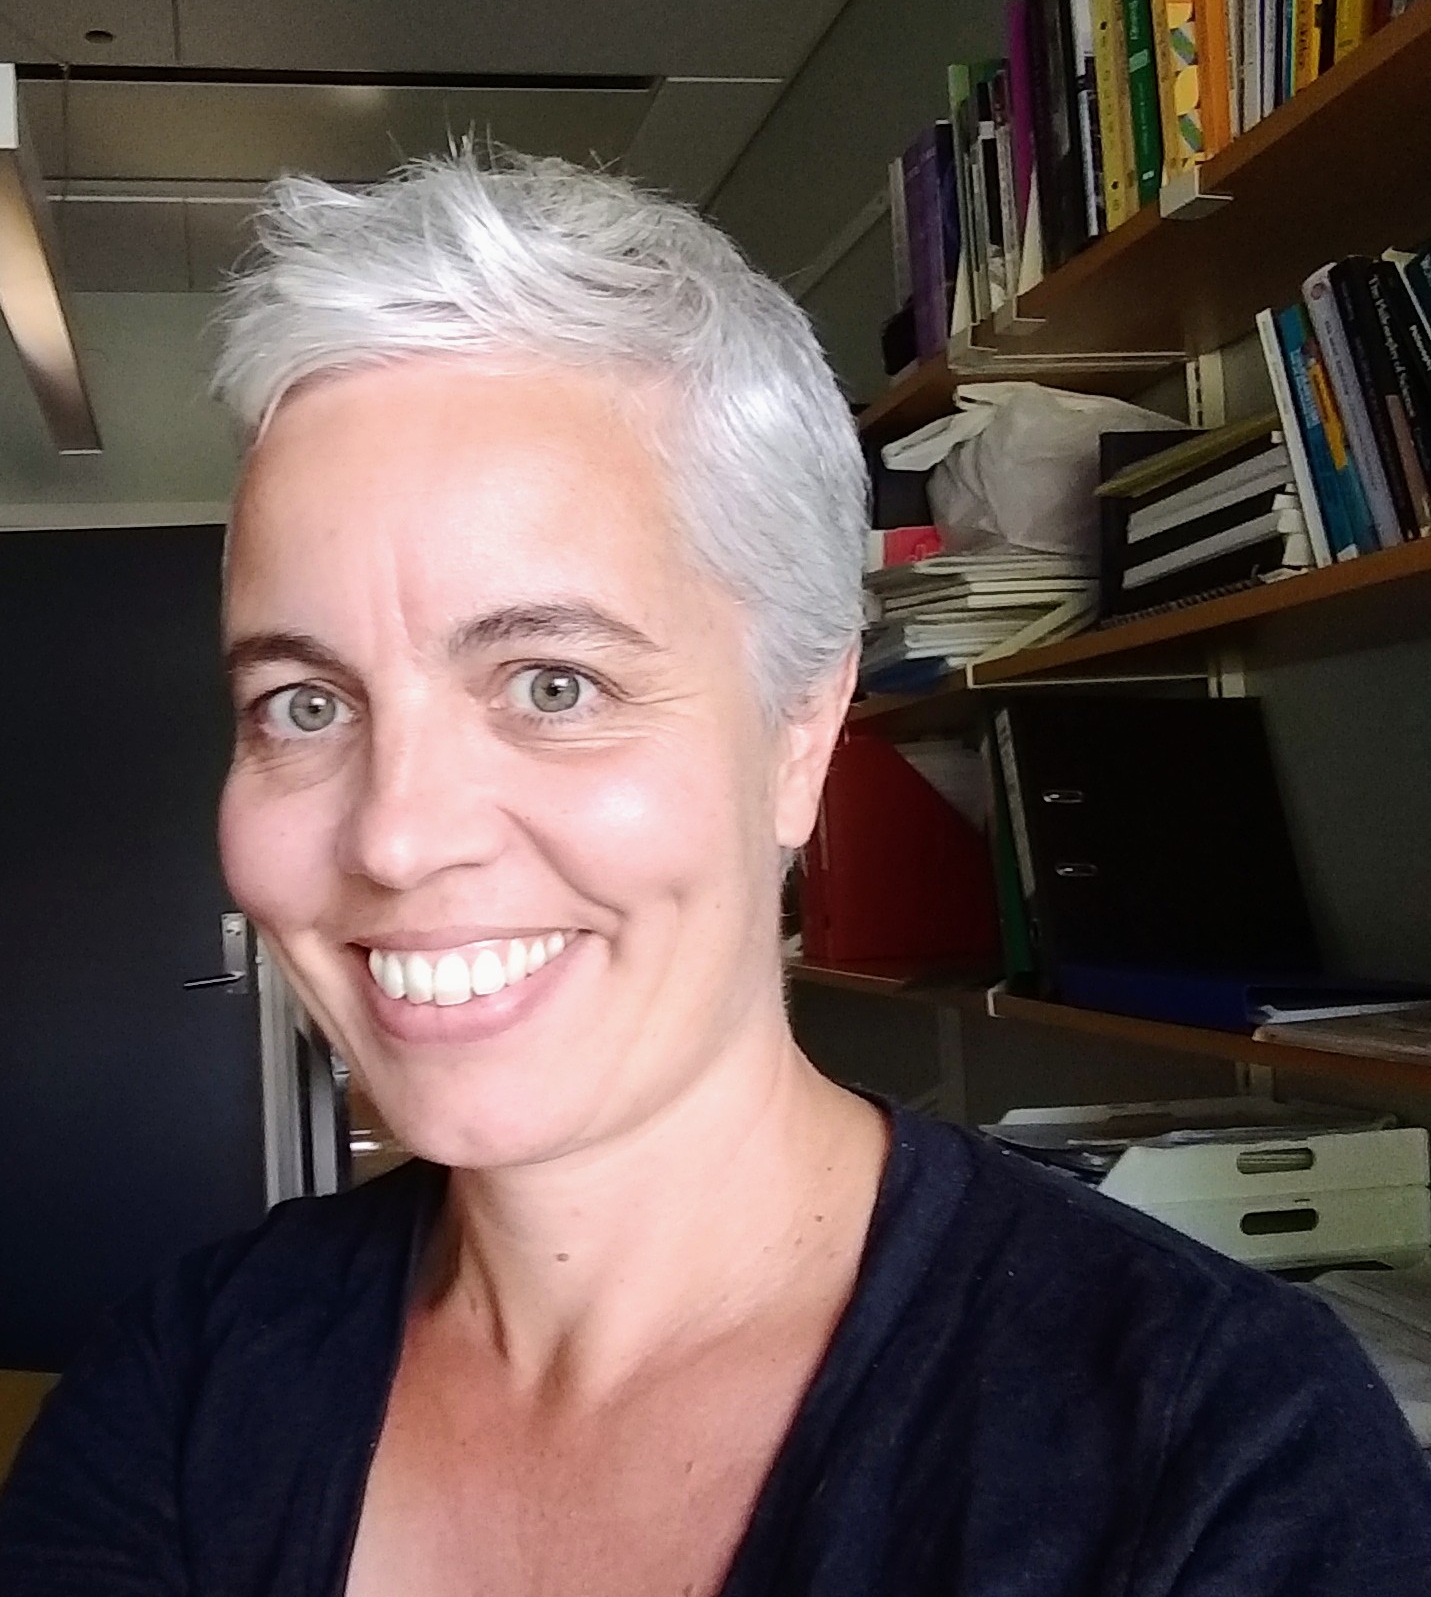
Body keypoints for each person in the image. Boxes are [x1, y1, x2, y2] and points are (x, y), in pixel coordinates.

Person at [2, 151, 1429, 1597]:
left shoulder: (1221, 1452)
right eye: (305, 704)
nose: (396, 837)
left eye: (553, 683)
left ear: (801, 730)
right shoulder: (182, 1386)